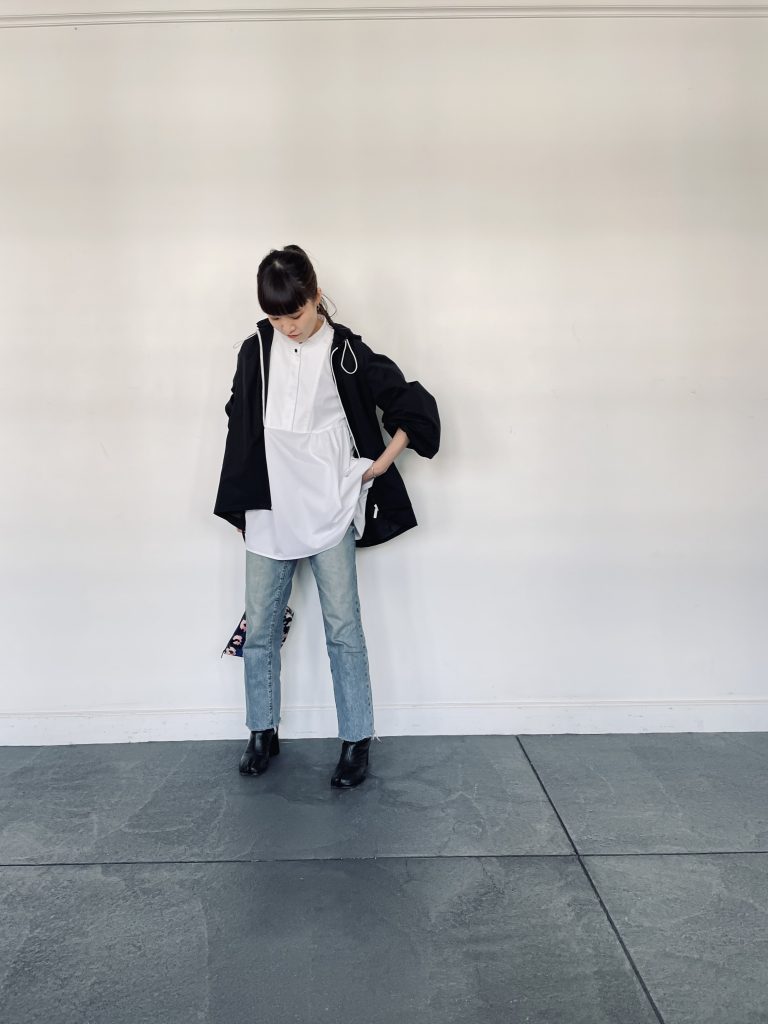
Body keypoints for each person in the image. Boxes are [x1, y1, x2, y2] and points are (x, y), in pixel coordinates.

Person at [213, 245, 440, 788]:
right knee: (260, 627)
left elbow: (413, 405)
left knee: (343, 627)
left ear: (316, 296)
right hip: (269, 506)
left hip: (330, 504)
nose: (287, 326)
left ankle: (356, 739)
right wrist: (241, 496)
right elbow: (238, 417)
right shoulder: (255, 349)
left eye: (295, 313)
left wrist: (378, 465)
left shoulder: (346, 352)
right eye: (275, 317)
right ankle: (261, 731)